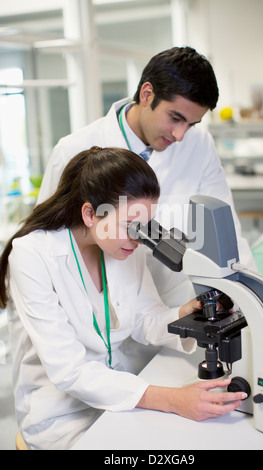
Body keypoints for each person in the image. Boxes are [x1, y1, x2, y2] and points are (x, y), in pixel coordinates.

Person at [0, 147, 247, 450]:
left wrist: (190, 312)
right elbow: (69, 371)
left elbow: (145, 319)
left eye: (144, 226)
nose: (138, 238)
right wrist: (173, 400)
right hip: (62, 415)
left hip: (122, 395)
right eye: (129, 225)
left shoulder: (121, 245)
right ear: (90, 213)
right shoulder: (32, 255)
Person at [37, 46, 255, 308]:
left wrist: (247, 299)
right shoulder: (74, 149)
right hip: (102, 318)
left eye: (191, 124)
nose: (180, 135)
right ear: (147, 93)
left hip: (174, 310)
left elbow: (225, 227)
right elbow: (45, 250)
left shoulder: (199, 145)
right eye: (175, 118)